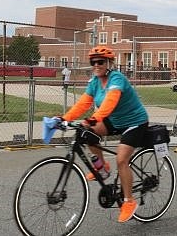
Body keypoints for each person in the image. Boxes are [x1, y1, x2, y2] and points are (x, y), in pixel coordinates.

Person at [59, 46, 148, 223]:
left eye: (101, 61)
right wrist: (63, 118)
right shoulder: (94, 82)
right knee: (87, 134)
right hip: (114, 120)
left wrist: (93, 119)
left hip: (135, 122)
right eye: (93, 62)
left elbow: (110, 102)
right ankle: (102, 167)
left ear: (109, 63)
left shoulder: (117, 79)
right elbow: (83, 104)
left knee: (122, 159)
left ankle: (129, 201)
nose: (97, 65)